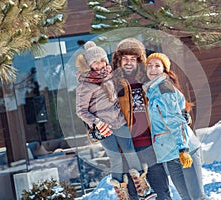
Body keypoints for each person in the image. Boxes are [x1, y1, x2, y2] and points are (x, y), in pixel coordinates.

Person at [75, 41, 156, 200]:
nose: (99, 65)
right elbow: (81, 111)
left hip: (119, 121)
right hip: (104, 127)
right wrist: (96, 123)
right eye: (95, 62)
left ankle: (142, 186)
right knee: (116, 158)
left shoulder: (112, 76)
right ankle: (122, 192)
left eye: (101, 60)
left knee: (130, 151)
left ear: (106, 60)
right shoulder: (85, 85)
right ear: (89, 64)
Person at [143, 52, 210, 200]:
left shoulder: (164, 88)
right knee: (186, 197)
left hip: (184, 149)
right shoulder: (152, 91)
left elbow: (175, 121)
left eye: (157, 66)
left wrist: (183, 148)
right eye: (150, 65)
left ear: (164, 70)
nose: (153, 69)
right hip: (170, 153)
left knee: (197, 197)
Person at [112, 38, 172, 200]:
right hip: (126, 148)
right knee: (133, 195)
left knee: (162, 192)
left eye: (133, 59)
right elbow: (97, 108)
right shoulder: (112, 84)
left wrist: (182, 112)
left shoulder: (148, 80)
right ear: (118, 60)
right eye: (125, 59)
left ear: (140, 61)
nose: (129, 63)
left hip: (149, 145)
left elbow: (172, 99)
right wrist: (94, 129)